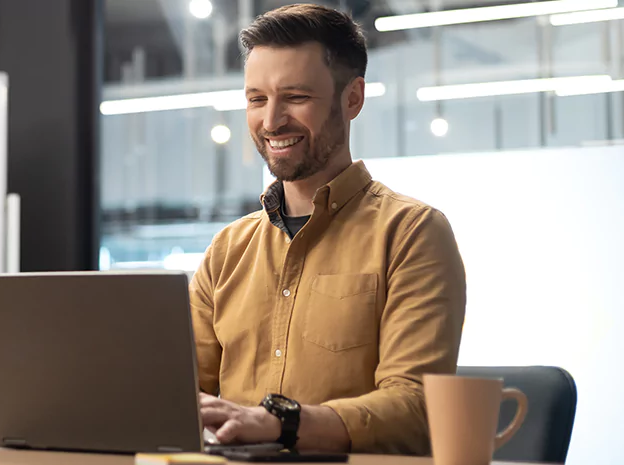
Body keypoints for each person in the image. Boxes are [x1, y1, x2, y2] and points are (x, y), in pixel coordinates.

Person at [189, 3, 466, 456]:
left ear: (353, 98)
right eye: (256, 99)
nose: (271, 121)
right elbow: (175, 395)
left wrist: (280, 423)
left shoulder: (413, 233)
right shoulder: (227, 250)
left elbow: (416, 408)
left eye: (295, 97)